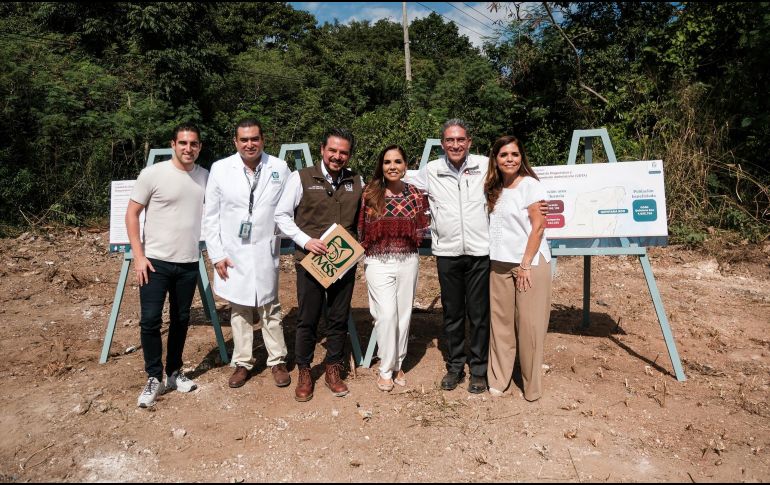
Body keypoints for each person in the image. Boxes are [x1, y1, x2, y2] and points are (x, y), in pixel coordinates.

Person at [275, 128, 363, 402]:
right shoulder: (300, 178)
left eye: (343, 152)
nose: (338, 156)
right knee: (308, 319)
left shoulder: (356, 180)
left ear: (349, 154)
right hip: (311, 261)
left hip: (343, 262)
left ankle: (332, 369)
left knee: (338, 318)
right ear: (322, 150)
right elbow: (281, 214)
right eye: (333, 150)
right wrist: (304, 240)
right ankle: (304, 370)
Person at [203, 118, 291, 389]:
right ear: (236, 142)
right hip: (234, 251)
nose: (250, 144)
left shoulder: (279, 167)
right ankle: (243, 362)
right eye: (244, 139)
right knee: (239, 308)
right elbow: (211, 216)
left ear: (263, 140)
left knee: (270, 305)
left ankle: (277, 360)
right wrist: (216, 254)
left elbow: (290, 206)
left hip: (265, 248)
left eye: (254, 138)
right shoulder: (220, 169)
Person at [126, 123, 208, 408]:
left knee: (181, 319)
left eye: (194, 144)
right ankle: (153, 377)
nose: (188, 149)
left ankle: (173, 372)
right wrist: (139, 255)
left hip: (188, 262)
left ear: (199, 147)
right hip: (155, 262)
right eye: (183, 143)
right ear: (173, 144)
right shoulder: (153, 174)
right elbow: (132, 214)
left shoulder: (205, 178)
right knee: (150, 320)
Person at [407, 119, 492, 394]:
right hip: (447, 253)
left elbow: (514, 180)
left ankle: (479, 370)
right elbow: (398, 179)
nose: (455, 145)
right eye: (449, 140)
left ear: (469, 142)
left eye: (460, 140)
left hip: (480, 252)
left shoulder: (486, 165)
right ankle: (456, 366)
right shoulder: (431, 169)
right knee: (453, 314)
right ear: (442, 143)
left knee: (479, 315)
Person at [484, 135, 552, 401]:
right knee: (500, 326)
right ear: (496, 159)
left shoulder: (531, 186)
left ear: (521, 157)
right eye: (503, 155)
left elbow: (539, 227)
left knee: (530, 327)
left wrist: (525, 265)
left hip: (529, 264)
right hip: (499, 264)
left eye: (514, 154)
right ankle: (499, 379)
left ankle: (531, 385)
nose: (509, 159)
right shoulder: (493, 188)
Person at [357, 145, 427, 392]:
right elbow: (361, 229)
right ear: (381, 166)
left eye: (398, 162)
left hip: (408, 259)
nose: (392, 166)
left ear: (406, 165)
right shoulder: (370, 194)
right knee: (386, 316)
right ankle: (385, 369)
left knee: (403, 316)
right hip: (377, 260)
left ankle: (398, 364)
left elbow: (423, 225)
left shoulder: (416, 194)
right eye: (387, 162)